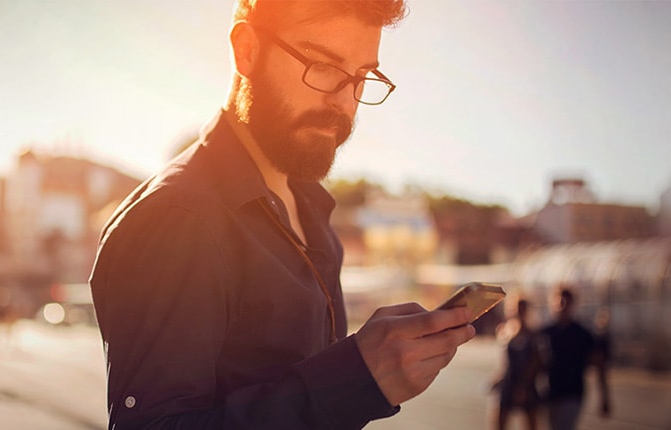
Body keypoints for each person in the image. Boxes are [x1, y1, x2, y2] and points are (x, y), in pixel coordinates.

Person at [89, 1, 476, 428]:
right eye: (322, 65)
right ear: (248, 50)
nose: (344, 103)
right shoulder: (180, 217)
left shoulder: (312, 209)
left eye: (362, 76)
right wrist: (355, 379)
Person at [540, 287, 611, 430]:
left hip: (572, 392)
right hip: (551, 392)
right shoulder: (546, 333)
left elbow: (599, 364)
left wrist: (604, 397)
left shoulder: (582, 335)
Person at [493, 298, 541, 430]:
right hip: (508, 381)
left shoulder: (532, 334)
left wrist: (524, 386)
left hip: (525, 383)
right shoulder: (505, 331)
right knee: (499, 418)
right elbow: (505, 362)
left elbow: (535, 362)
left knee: (531, 420)